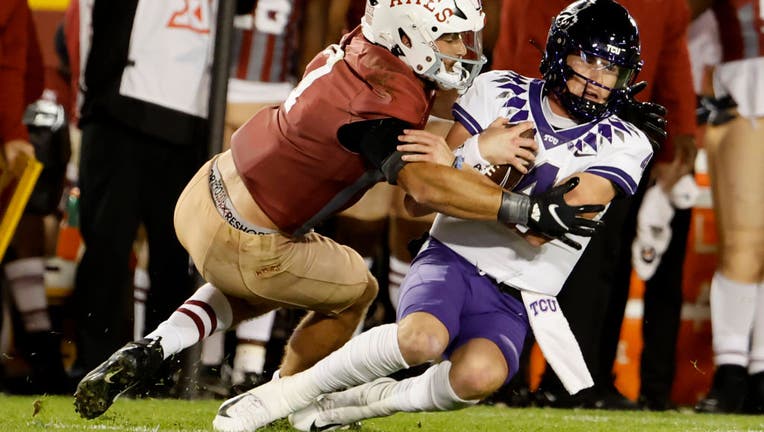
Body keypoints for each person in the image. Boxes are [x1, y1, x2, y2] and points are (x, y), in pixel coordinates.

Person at [73, 0, 603, 421]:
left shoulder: (362, 48)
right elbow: (421, 191)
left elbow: (404, 140)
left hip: (208, 188)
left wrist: (471, 148)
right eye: (450, 36)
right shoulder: (382, 98)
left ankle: (156, 344)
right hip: (250, 235)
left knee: (267, 277)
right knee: (357, 291)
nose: (463, 49)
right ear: (407, 34)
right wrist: (524, 208)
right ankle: (279, 402)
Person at [201, 1, 656, 431]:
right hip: (453, 256)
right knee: (421, 340)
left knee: (478, 377)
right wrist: (476, 157)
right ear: (561, 54)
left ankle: (344, 407)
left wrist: (463, 164)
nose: (599, 79)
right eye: (590, 62)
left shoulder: (628, 141)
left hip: (521, 290)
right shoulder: (499, 88)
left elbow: (544, 227)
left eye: (612, 68)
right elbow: (419, 202)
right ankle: (282, 396)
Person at [492, 0, 696, 409]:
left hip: (611, 134)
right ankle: (504, 374)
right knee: (514, 248)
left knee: (592, 257)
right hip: (538, 125)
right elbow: (525, 41)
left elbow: (671, 49)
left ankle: (562, 382)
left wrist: (679, 134)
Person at [690, 0, 764, 415]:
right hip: (749, 93)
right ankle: (733, 373)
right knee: (744, 244)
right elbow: (690, 28)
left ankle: (756, 372)